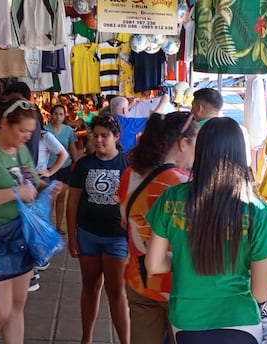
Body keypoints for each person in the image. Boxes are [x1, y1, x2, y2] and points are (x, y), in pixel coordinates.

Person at [145, 118, 267, 344]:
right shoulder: (258, 210)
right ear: (240, 154)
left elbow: (153, 265)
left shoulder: (171, 198)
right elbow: (261, 293)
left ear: (200, 151)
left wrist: (185, 257)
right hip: (240, 321)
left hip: (187, 321)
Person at [0, 95, 63, 344]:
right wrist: (13, 193)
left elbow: (29, 180)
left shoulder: (20, 150)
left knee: (17, 305)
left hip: (20, 233)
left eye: (31, 132)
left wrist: (46, 188)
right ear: (5, 123)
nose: (27, 137)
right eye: (22, 131)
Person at [117, 111, 197, 344]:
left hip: (139, 280)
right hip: (177, 287)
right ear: (183, 143)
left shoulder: (130, 175)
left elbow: (125, 221)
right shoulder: (185, 185)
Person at [66, 115, 130, 344]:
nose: (99, 140)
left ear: (116, 137)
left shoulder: (127, 164)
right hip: (87, 235)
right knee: (90, 286)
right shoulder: (84, 164)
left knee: (116, 291)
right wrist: (72, 237)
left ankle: (125, 341)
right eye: (96, 135)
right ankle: (87, 338)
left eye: (105, 135)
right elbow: (72, 202)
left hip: (117, 238)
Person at [190, 88, 251, 166]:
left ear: (199, 108)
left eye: (192, 106)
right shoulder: (240, 129)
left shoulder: (194, 131)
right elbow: (247, 162)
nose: (191, 111)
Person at [45, 104, 79, 232]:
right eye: (56, 114)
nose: (58, 117)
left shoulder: (69, 131)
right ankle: (49, 226)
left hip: (65, 167)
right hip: (49, 167)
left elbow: (72, 149)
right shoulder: (45, 130)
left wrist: (77, 164)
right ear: (51, 115)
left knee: (61, 197)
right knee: (50, 198)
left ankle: (58, 226)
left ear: (64, 116)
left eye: (61, 114)